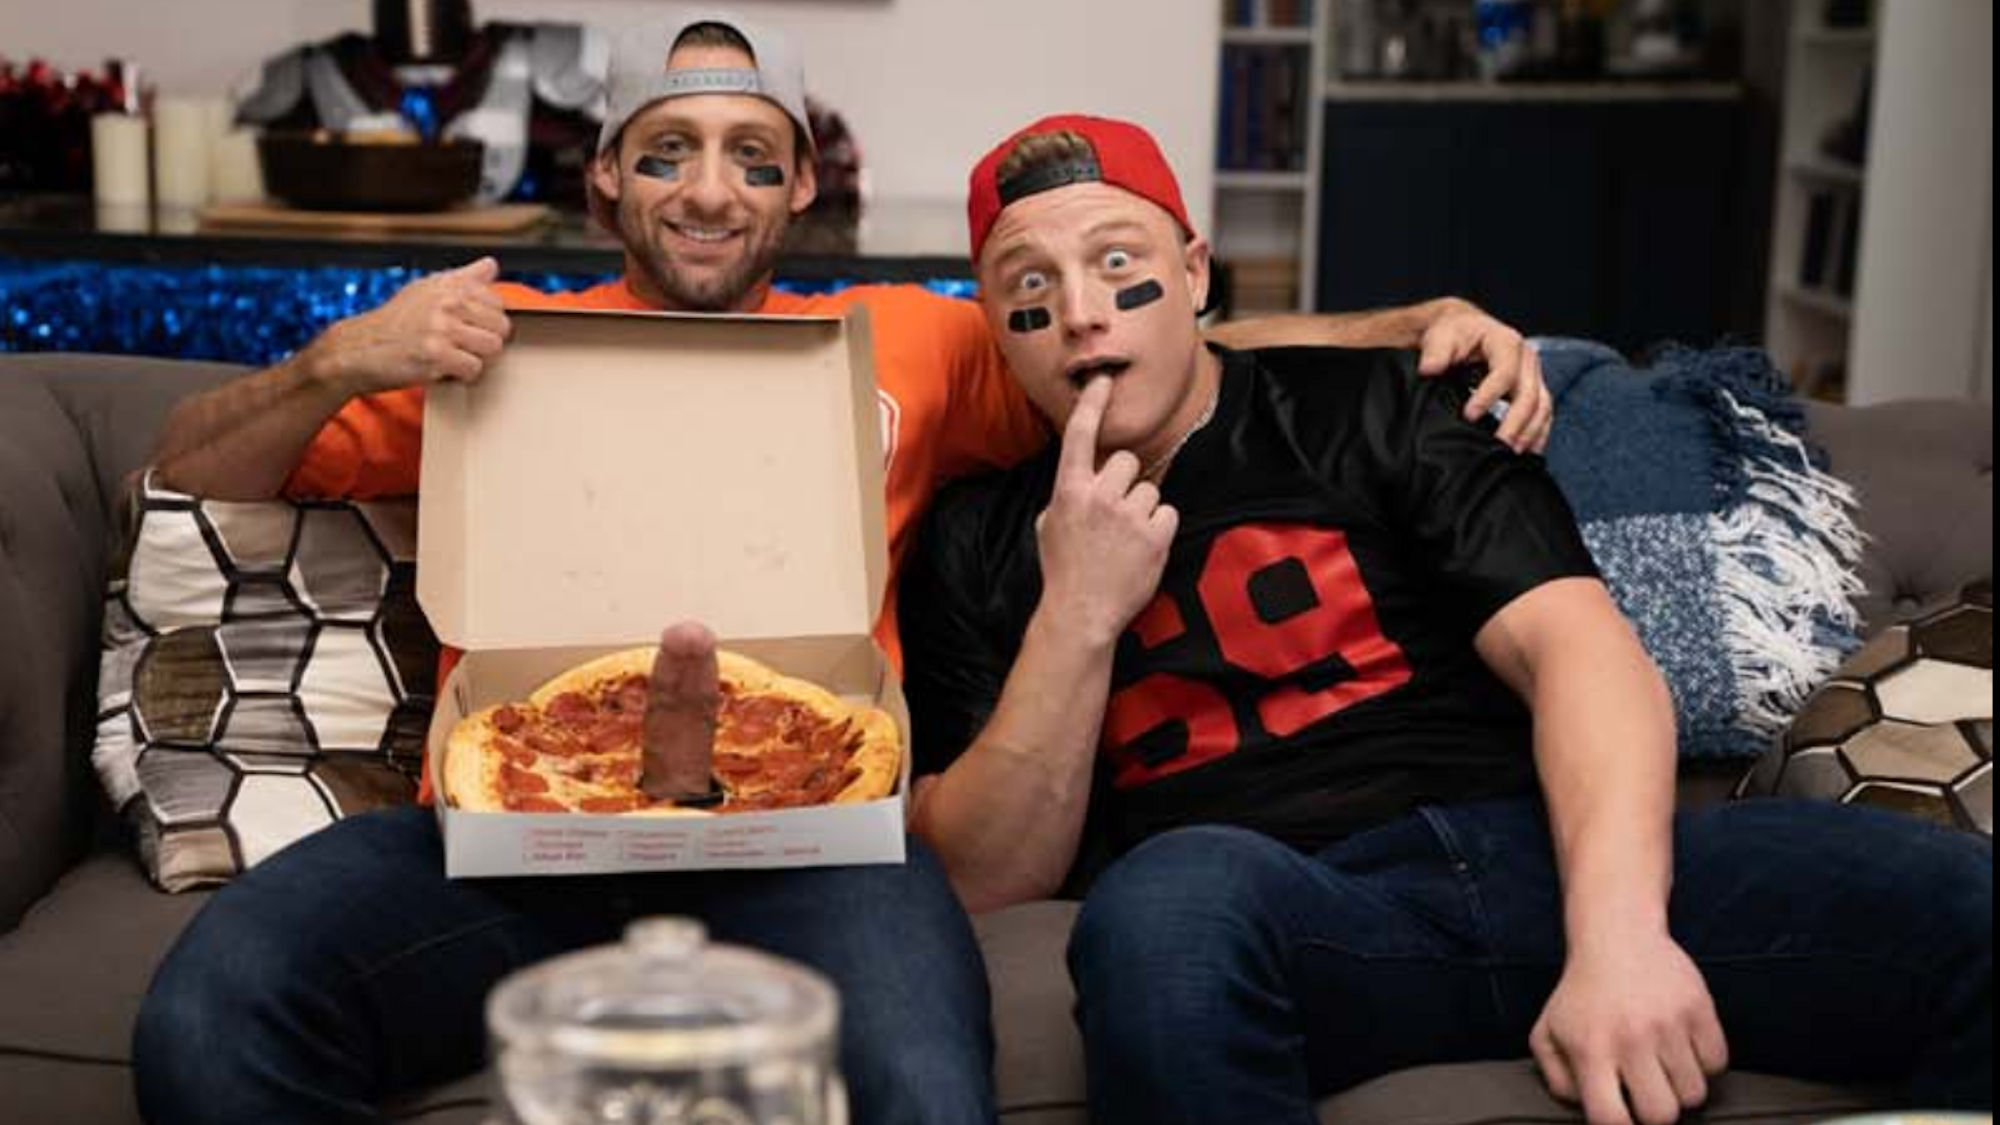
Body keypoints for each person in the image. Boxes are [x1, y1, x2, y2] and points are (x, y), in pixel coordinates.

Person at [133, 13, 1554, 1125]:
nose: (710, 192)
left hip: (818, 842)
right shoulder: (481, 339)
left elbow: (1143, 342)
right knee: (207, 1023)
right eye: (669, 151)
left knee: (924, 1090)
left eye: (753, 157)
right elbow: (194, 474)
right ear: (605, 174)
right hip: (507, 828)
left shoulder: (907, 340)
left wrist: (1408, 323)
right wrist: (338, 362)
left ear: (803, 184)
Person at [899, 113, 1993, 1125]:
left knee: (1965, 909)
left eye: (1117, 263)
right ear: (996, 328)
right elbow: (988, 875)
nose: (1081, 312)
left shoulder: (1380, 406)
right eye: (1029, 284)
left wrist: (1618, 941)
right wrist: (1077, 615)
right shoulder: (975, 539)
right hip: (1287, 911)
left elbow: (1578, 653)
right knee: (1161, 911)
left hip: (1532, 850)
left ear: (1193, 275)